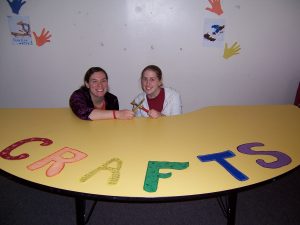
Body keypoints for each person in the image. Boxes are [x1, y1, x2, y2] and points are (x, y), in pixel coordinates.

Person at [69, 67, 134, 120]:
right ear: (87, 84)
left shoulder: (112, 99)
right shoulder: (77, 96)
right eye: (94, 81)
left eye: (103, 81)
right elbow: (84, 113)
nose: (100, 85)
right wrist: (118, 114)